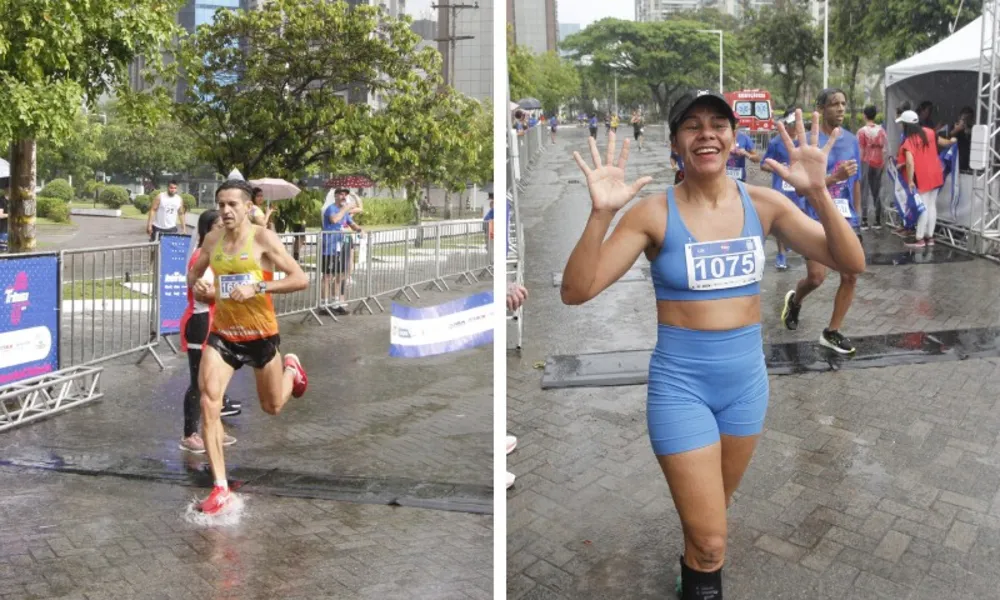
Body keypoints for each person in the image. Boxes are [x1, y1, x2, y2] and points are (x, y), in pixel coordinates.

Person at [561, 90, 864, 599]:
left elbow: (851, 264)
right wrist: (600, 215)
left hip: (747, 387)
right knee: (711, 541)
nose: (707, 133)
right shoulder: (652, 215)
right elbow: (576, 291)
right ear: (676, 143)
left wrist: (817, 193)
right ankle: (699, 572)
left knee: (708, 521)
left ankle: (693, 565)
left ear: (732, 136)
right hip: (681, 390)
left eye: (718, 124)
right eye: (692, 125)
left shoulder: (764, 206)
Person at [187, 179, 310, 515]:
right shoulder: (212, 239)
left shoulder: (263, 238)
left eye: (232, 205)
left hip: (260, 336)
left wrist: (258, 285)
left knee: (272, 407)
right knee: (209, 402)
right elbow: (197, 278)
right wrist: (199, 285)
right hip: (224, 335)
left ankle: (291, 371)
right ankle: (220, 488)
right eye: (221, 204)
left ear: (247, 207)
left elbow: (300, 278)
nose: (226, 210)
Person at [780, 88, 863, 355]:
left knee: (850, 274)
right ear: (821, 108)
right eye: (834, 104)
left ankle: (832, 332)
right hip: (813, 218)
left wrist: (858, 215)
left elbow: (855, 181)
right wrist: (832, 178)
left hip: (844, 218)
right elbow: (803, 189)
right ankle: (796, 299)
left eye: (843, 103)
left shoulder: (852, 140)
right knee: (816, 279)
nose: (840, 108)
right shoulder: (807, 145)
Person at [178, 210, 241, 454]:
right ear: (206, 231)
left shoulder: (218, 255)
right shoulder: (200, 257)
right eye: (218, 226)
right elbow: (203, 293)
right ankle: (189, 434)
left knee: (213, 381)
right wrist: (235, 290)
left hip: (216, 321)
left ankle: (213, 429)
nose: (224, 229)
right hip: (200, 322)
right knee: (198, 383)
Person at [895, 110, 952, 248]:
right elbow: (943, 143)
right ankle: (930, 237)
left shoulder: (909, 141)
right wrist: (952, 141)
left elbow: (910, 162)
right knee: (932, 205)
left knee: (923, 207)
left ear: (906, 125)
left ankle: (919, 238)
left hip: (922, 177)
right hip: (936, 174)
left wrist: (910, 180)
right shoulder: (930, 132)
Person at [761, 109, 803, 270]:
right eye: (791, 124)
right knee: (780, 220)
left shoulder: (802, 142)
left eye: (796, 124)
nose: (794, 127)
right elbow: (764, 164)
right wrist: (779, 169)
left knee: (797, 218)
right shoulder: (776, 142)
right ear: (786, 124)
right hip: (781, 187)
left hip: (798, 188)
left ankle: (789, 241)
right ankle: (781, 254)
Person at [321, 188, 363, 314]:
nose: (343, 196)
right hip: (329, 248)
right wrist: (345, 208)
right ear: (335, 196)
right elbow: (334, 220)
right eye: (340, 194)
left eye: (345, 194)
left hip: (340, 247)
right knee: (328, 276)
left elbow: (351, 223)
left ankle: (335, 303)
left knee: (340, 274)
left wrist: (360, 230)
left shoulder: (344, 211)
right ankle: (324, 305)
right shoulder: (331, 209)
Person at [858, 105, 888, 230]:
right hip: (879, 162)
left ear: (865, 115)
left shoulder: (862, 131)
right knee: (877, 190)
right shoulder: (881, 131)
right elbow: (885, 149)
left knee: (864, 191)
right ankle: (877, 220)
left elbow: (860, 149)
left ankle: (864, 220)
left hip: (865, 162)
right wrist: (883, 163)